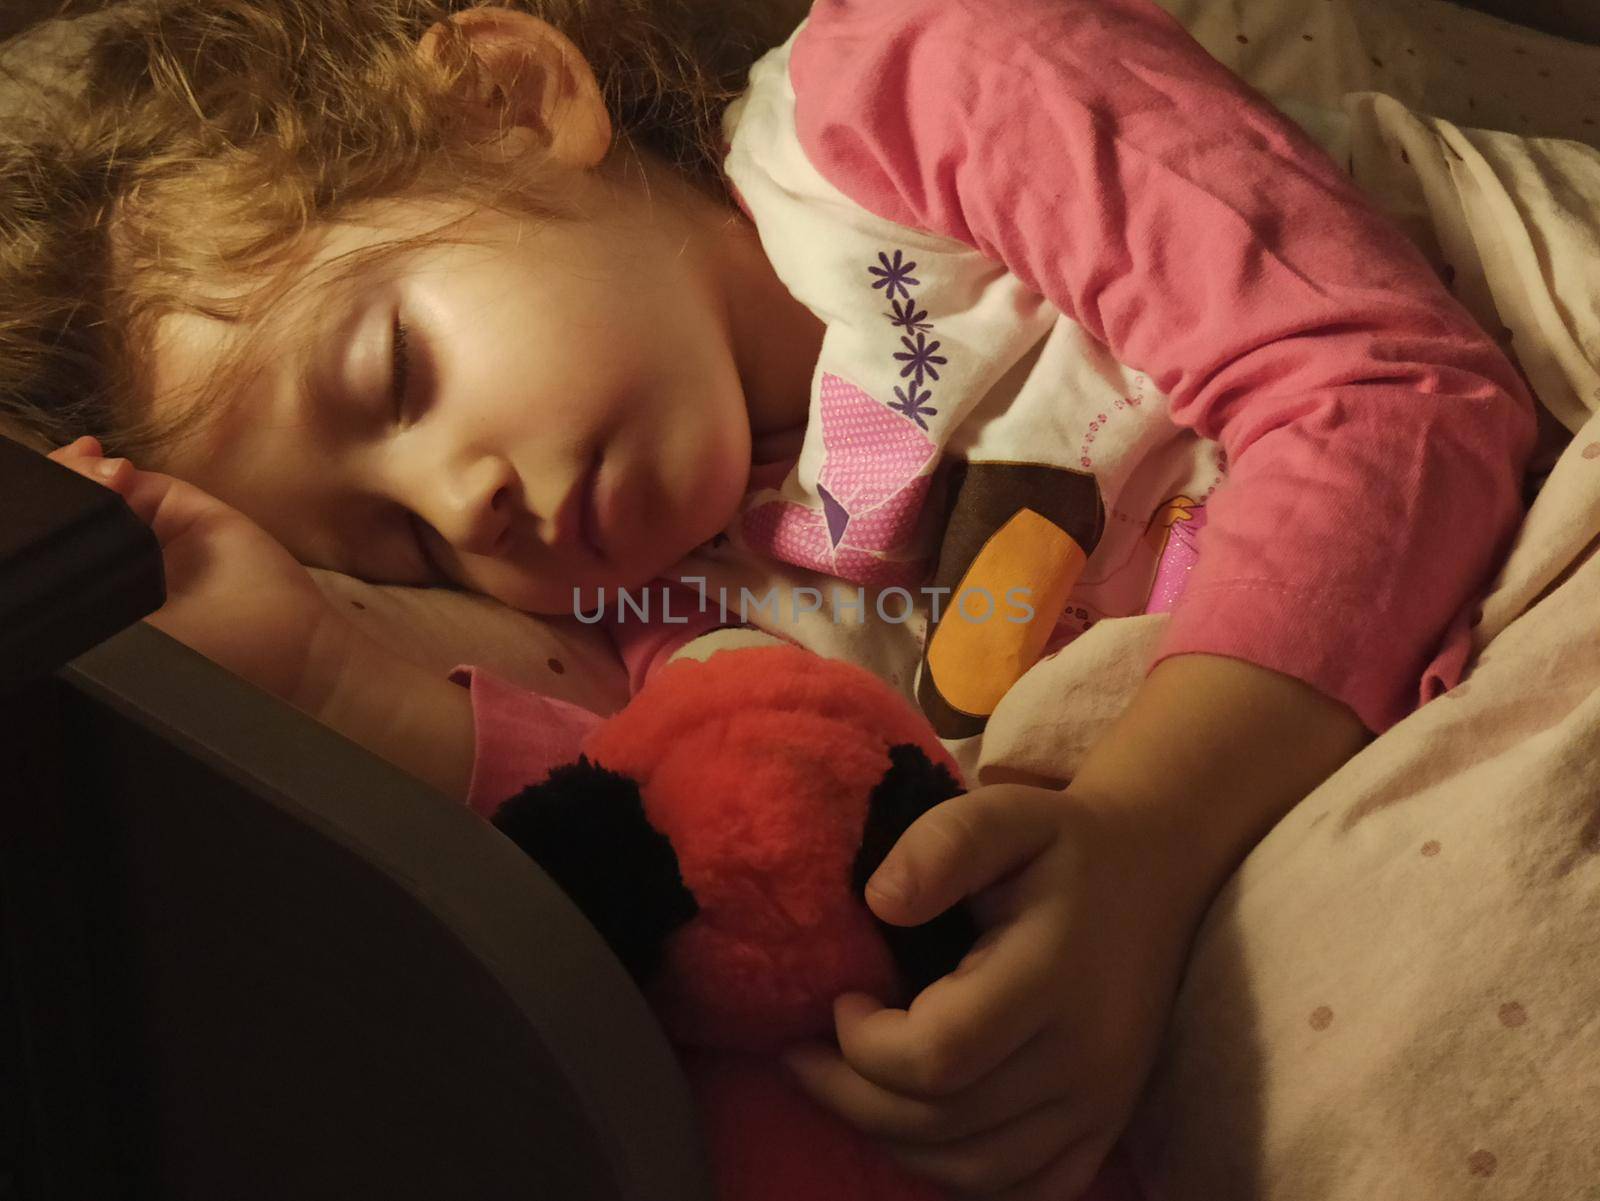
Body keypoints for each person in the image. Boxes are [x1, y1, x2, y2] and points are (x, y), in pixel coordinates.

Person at [14, 0, 1537, 1196]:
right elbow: (728, 861)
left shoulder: (902, 93)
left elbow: (1391, 393)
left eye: (395, 376)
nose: (463, 506)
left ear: (511, 99)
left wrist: (1138, 841)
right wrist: (321, 671)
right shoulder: (690, 605)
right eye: (402, 548)